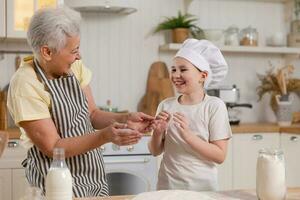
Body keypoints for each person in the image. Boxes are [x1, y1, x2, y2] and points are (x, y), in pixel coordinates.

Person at [7, 7, 154, 197]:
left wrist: (126, 118)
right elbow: (54, 147)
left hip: (91, 174)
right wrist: (104, 136)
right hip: (53, 178)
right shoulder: (25, 84)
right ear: (47, 52)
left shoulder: (74, 66)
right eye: (74, 50)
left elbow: (92, 114)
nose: (79, 56)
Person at [148, 39, 232, 191]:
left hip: (202, 189)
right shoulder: (166, 105)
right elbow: (155, 151)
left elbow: (220, 156)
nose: (176, 75)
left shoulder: (214, 106)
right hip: (167, 187)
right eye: (173, 69)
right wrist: (158, 133)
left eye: (183, 69)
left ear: (203, 75)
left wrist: (188, 137)